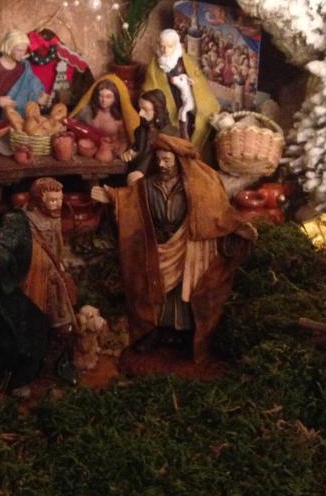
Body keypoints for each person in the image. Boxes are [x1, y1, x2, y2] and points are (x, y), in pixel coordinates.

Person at [92, 134, 256, 363]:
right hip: (157, 246)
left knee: (184, 291)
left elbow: (217, 211)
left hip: (187, 247)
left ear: (178, 161)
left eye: (167, 160)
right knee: (154, 289)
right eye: (159, 160)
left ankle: (185, 335)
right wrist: (112, 197)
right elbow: (130, 199)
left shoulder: (195, 186)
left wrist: (236, 225)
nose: (162, 165)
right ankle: (155, 331)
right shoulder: (148, 185)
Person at [0, 178, 78, 396]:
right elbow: (0, 244)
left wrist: (60, 267)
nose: (58, 205)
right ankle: (23, 377)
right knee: (30, 332)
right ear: (39, 200)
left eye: (60, 199)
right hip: (32, 286)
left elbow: (56, 247)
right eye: (52, 201)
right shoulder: (19, 221)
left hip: (54, 281)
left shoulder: (54, 217)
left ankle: (55, 368)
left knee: (64, 326)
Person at [141, 29, 219, 153]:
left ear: (176, 45)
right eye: (162, 46)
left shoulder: (186, 61)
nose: (165, 51)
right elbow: (149, 86)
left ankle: (190, 146)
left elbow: (198, 83)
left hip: (185, 96)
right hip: (168, 98)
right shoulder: (154, 65)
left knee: (192, 119)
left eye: (169, 47)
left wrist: (194, 91)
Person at [69, 74, 139, 156]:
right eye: (100, 96)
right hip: (88, 151)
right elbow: (74, 125)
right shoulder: (88, 111)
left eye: (108, 97)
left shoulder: (120, 118)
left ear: (115, 98)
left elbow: (124, 142)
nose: (103, 100)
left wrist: (118, 151)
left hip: (109, 153)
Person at [121, 89, 178, 181]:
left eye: (145, 109)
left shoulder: (171, 134)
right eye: (140, 109)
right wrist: (131, 153)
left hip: (160, 176)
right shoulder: (140, 131)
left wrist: (141, 171)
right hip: (138, 173)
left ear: (157, 111)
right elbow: (137, 149)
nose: (140, 114)